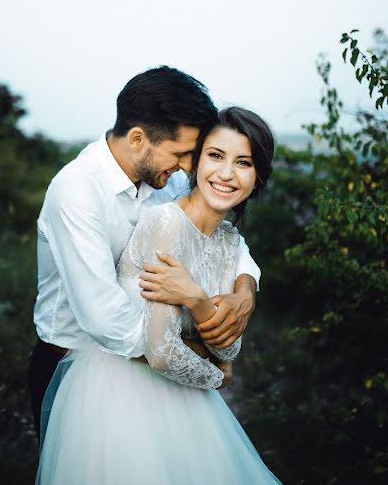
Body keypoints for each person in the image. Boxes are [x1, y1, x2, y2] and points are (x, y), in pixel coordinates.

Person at [36, 107, 281, 484]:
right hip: (115, 388)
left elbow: (229, 347)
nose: (226, 173)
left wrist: (214, 296)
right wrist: (217, 375)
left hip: (182, 397)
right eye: (212, 156)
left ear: (258, 177)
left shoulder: (228, 237)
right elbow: (160, 349)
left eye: (244, 163)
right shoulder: (94, 194)